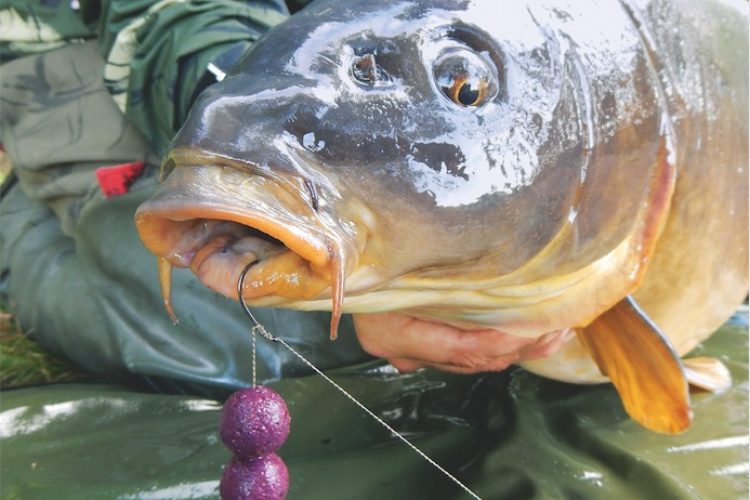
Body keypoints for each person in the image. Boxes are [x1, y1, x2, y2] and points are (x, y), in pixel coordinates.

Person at [1, 2, 747, 499]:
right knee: (207, 325)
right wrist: (246, 130)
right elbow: (185, 22)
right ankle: (19, 225)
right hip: (138, 37)